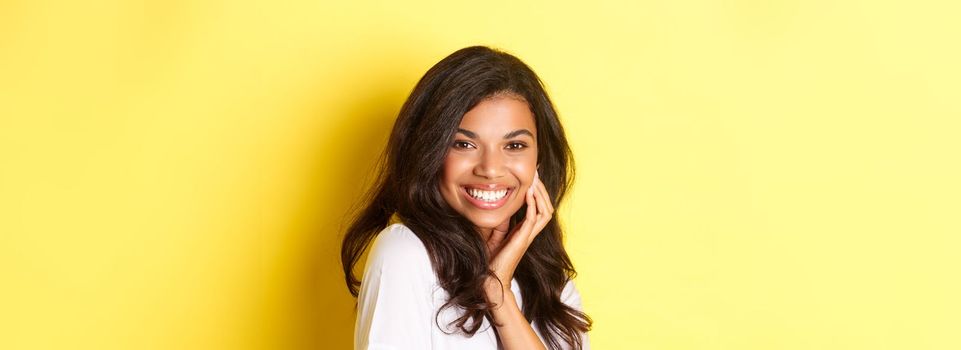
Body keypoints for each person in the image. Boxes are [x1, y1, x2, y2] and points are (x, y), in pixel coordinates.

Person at [341, 46, 591, 350]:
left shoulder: (552, 284)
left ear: (539, 161)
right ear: (430, 152)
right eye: (464, 144)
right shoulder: (406, 254)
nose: (490, 169)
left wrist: (499, 296)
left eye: (514, 146)